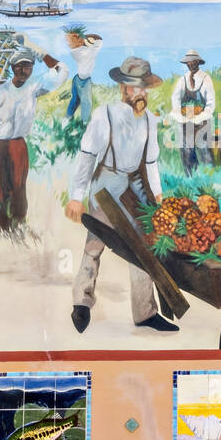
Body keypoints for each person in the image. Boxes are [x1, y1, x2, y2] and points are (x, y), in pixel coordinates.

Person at [64, 56, 177, 334]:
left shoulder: (150, 120)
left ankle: (145, 313)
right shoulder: (105, 115)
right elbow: (87, 157)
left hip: (136, 186)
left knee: (143, 247)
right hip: (107, 184)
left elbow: (150, 163)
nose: (139, 93)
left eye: (143, 87)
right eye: (134, 87)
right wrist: (77, 196)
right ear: (123, 88)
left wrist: (158, 196)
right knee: (96, 243)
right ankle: (81, 302)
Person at [0, 46, 69, 233]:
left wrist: (40, 53)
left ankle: (18, 227)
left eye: (28, 66)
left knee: (18, 188)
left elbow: (62, 72)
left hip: (17, 145)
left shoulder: (34, 87)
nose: (24, 71)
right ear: (12, 67)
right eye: (19, 66)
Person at [169, 49, 215, 174]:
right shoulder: (183, 80)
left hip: (202, 120)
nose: (190, 64)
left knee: (205, 150)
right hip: (185, 121)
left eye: (193, 61)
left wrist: (200, 116)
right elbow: (175, 98)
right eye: (188, 62)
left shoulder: (205, 78)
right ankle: (191, 177)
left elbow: (211, 102)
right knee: (186, 151)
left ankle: (210, 178)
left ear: (198, 62)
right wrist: (179, 113)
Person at [65, 28, 103, 123]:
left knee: (75, 101)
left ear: (79, 40)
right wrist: (85, 38)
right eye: (68, 41)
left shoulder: (84, 50)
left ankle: (67, 119)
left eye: (70, 41)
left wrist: (84, 39)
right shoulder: (78, 52)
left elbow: (97, 43)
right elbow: (99, 40)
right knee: (86, 103)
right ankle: (84, 123)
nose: (69, 44)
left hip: (78, 79)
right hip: (84, 81)